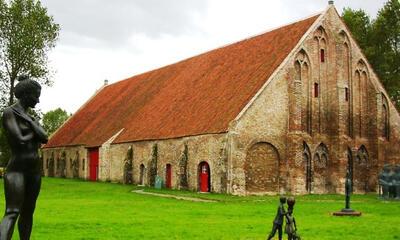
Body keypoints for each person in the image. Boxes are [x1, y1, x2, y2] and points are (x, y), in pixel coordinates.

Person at [0, 75, 48, 240]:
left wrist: (33, 126)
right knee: (12, 211)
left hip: (34, 171)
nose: (38, 101)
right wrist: (34, 129)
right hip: (17, 170)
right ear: (27, 94)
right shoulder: (9, 112)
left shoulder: (30, 117)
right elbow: (19, 140)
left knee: (28, 211)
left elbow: (45, 137)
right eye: (36, 96)